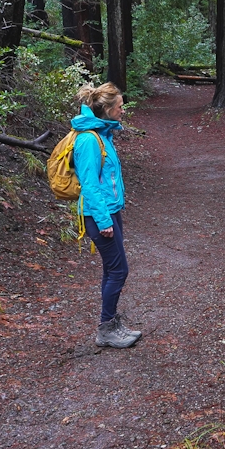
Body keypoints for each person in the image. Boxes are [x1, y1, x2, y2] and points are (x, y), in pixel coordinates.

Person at [72, 82, 141, 348]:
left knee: (112, 270)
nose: (123, 111)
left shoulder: (103, 134)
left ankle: (110, 324)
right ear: (108, 110)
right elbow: (89, 184)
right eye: (120, 107)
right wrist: (103, 221)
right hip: (98, 215)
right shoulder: (89, 139)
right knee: (119, 270)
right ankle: (106, 329)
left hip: (110, 211)